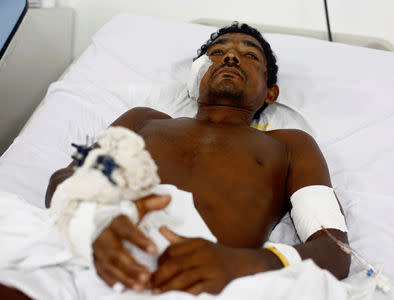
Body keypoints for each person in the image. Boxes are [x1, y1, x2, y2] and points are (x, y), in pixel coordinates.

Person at [0, 23, 350, 299]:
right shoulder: (144, 122)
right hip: (97, 256)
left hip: (203, 283)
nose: (230, 58)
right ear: (192, 80)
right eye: (217, 53)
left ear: (270, 92)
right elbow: (68, 180)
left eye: (249, 55)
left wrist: (244, 263)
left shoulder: (290, 146)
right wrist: (90, 223)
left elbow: (333, 250)